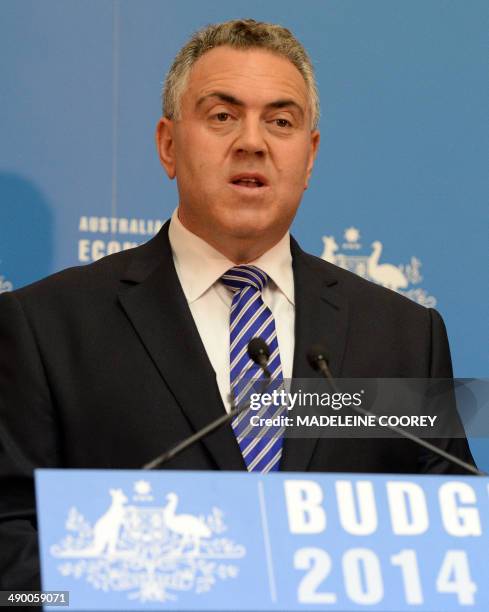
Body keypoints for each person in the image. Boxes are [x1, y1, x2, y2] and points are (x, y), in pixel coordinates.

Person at [0, 18, 474, 590]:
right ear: (169, 144)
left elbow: (451, 539)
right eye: (222, 116)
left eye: (281, 121)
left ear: (310, 156)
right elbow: (11, 548)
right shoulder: (48, 327)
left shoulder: (403, 336)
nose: (253, 141)